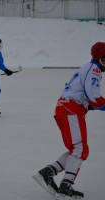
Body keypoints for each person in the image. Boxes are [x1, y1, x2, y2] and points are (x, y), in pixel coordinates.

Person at [33, 42, 105, 199]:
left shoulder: (88, 67)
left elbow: (83, 96)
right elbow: (92, 96)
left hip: (67, 109)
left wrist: (93, 105)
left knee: (77, 148)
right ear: (101, 59)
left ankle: (48, 172)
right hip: (71, 111)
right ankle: (65, 185)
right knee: (80, 148)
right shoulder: (94, 70)